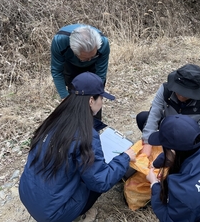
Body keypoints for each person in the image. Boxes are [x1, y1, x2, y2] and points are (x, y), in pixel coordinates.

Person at [19, 72, 136, 222]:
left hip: (27, 195)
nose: (102, 103)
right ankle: (78, 213)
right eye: (101, 98)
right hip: (53, 214)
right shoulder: (85, 134)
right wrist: (125, 158)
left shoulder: (54, 119)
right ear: (91, 100)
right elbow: (100, 182)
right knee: (96, 177)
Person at [137, 63, 200, 157]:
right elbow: (154, 113)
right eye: (179, 90)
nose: (181, 95)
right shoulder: (165, 89)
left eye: (186, 93)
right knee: (143, 117)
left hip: (189, 136)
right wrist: (147, 142)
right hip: (169, 125)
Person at [51, 24, 110, 129]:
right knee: (74, 99)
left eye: (92, 56)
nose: (88, 60)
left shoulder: (103, 43)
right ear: (74, 50)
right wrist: (65, 97)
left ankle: (94, 130)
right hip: (71, 66)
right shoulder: (60, 41)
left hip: (94, 68)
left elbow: (101, 74)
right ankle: (75, 130)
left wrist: (96, 94)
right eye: (85, 58)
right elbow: (56, 71)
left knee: (94, 99)